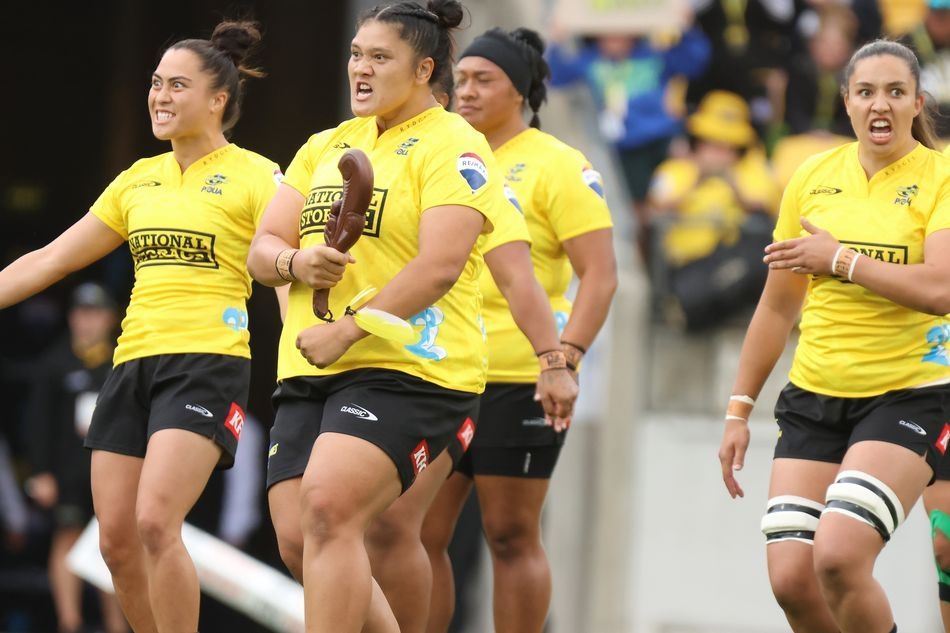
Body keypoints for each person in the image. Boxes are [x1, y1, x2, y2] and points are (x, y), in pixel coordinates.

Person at [247, 3, 575, 631]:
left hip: (410, 368)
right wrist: (295, 262)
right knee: (299, 539)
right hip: (309, 365)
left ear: (424, 70)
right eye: (355, 55)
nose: (360, 70)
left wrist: (554, 358)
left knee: (340, 513)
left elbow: (447, 267)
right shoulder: (325, 145)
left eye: (379, 57)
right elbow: (262, 250)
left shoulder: (455, 146)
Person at [0, 20, 280, 633]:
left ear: (218, 100)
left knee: (157, 522)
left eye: (177, 85)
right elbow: (49, 259)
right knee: (115, 545)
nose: (159, 96)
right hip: (131, 367)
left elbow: (283, 275)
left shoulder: (260, 175)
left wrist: (305, 357)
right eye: (155, 83)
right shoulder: (138, 179)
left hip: (208, 363)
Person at [718, 39, 950, 633]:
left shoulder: (941, 176)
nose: (881, 105)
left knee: (842, 557)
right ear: (845, 102)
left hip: (910, 392)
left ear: (916, 102)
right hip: (816, 396)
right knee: (792, 581)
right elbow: (776, 309)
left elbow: (940, 289)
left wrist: (841, 260)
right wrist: (738, 410)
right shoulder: (812, 176)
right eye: (866, 91)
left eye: (896, 92)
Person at [420, 27, 617, 633]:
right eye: (463, 80)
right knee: (417, 531)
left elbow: (601, 276)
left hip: (519, 378)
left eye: (486, 80)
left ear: (522, 92)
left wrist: (566, 359)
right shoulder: (444, 155)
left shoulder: (559, 164)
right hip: (441, 371)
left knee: (509, 534)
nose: (467, 92)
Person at [24, 283, 127, 633]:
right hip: (68, 472)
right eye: (81, 313)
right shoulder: (54, 364)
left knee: (113, 543)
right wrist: (40, 472)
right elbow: (36, 422)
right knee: (66, 536)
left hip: (113, 471)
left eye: (95, 313)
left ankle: (118, 625)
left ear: (110, 318)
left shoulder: (122, 361)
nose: (87, 322)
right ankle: (69, 622)